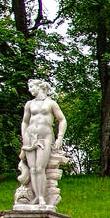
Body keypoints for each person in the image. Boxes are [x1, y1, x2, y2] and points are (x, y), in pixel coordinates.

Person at [19, 78, 67, 206]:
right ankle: (36, 195)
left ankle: (41, 197)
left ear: (39, 87)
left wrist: (60, 137)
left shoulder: (51, 103)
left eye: (31, 87)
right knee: (33, 169)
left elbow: (62, 120)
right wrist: (24, 138)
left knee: (40, 167)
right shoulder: (29, 104)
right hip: (30, 136)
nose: (29, 90)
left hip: (45, 136)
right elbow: (24, 121)